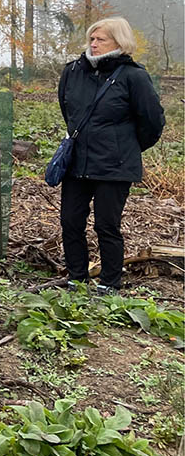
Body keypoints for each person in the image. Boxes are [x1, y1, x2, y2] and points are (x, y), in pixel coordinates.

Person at [57, 16, 164, 294]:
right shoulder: (73, 71)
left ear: (120, 42)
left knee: (107, 225)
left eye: (100, 39)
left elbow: (153, 121)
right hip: (77, 161)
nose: (93, 44)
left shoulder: (134, 76)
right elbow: (68, 111)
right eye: (92, 38)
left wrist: (125, 147)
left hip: (115, 166)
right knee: (70, 221)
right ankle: (76, 279)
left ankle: (109, 284)